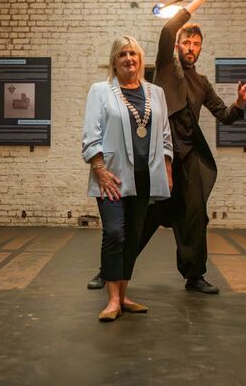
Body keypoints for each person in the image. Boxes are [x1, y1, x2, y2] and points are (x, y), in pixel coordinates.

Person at [87, 0, 246, 294]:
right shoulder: (166, 67)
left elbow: (225, 115)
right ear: (177, 46)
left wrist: (241, 102)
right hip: (158, 163)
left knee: (195, 219)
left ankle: (195, 275)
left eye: (196, 44)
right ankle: (109, 272)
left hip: (188, 164)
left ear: (201, 48)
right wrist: (198, 1)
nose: (191, 47)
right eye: (186, 42)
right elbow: (168, 29)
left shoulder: (202, 83)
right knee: (137, 224)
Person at [82, 35, 173, 321]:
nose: (129, 59)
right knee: (114, 233)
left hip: (146, 176)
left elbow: (166, 135)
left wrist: (167, 169)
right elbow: (90, 132)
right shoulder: (100, 91)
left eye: (133, 53)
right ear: (114, 60)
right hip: (111, 176)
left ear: (140, 59)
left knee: (133, 237)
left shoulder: (156, 93)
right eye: (122, 54)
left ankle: (123, 295)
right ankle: (111, 300)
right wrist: (98, 168)